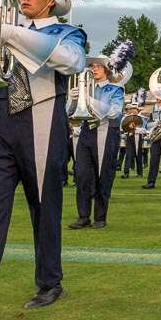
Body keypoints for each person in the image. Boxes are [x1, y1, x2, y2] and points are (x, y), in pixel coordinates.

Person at [0, 0, 98, 320]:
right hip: (0, 122)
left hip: (42, 121)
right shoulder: (4, 30)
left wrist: (5, 32)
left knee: (45, 208)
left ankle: (50, 281)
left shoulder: (66, 33)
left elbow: (71, 62)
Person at [68, 48, 129, 229]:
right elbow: (68, 113)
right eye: (92, 66)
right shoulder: (86, 88)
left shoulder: (115, 89)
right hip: (86, 131)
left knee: (103, 174)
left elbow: (115, 112)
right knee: (82, 175)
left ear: (106, 70)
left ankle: (100, 217)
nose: (94, 69)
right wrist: (72, 100)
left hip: (105, 132)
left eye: (98, 67)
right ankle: (83, 216)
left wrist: (90, 101)